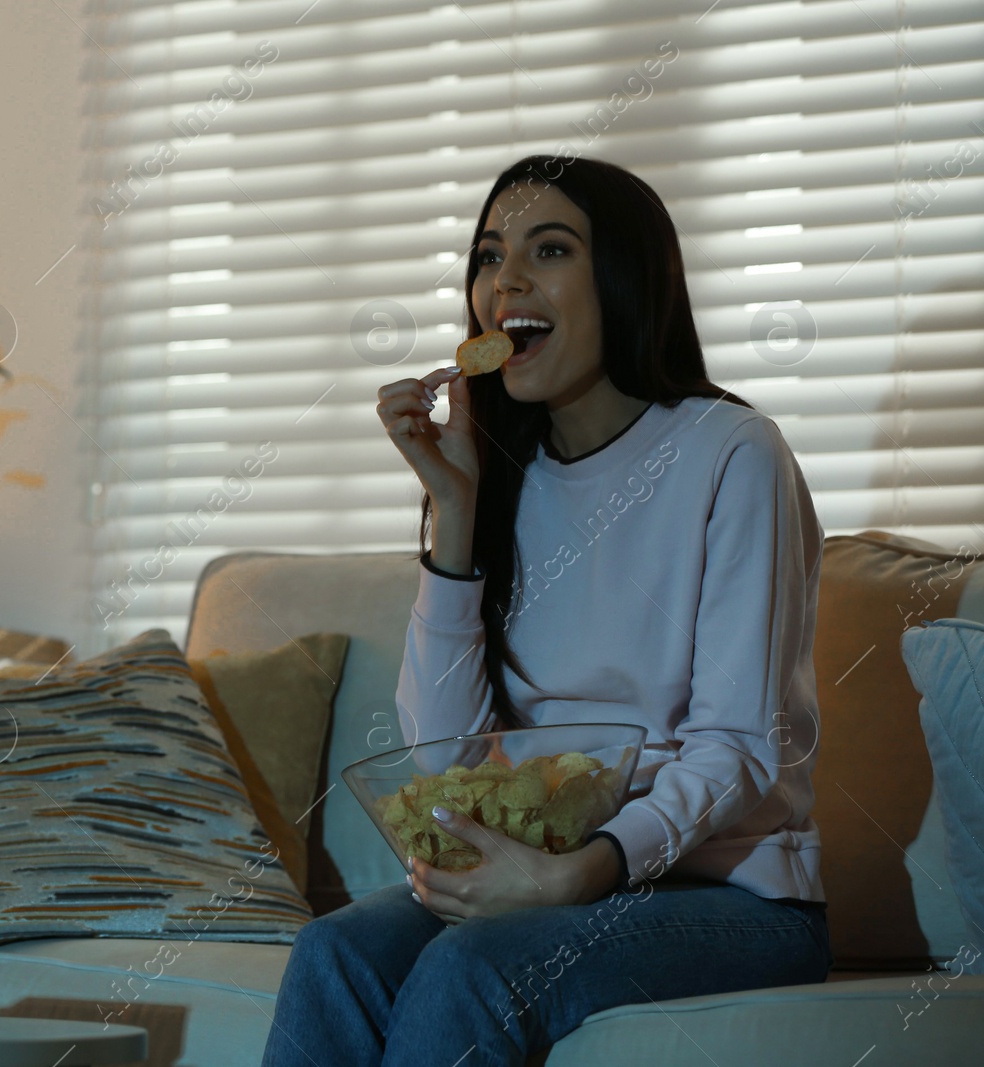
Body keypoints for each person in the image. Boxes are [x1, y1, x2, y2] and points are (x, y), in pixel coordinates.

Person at [260, 155, 833, 1067]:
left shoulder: (733, 453)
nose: (506, 282)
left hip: (736, 896)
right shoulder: (499, 472)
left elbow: (739, 749)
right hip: (543, 864)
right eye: (489, 257)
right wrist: (453, 515)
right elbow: (449, 758)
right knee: (333, 953)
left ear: (625, 276)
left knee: (469, 969)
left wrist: (582, 872)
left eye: (549, 249)